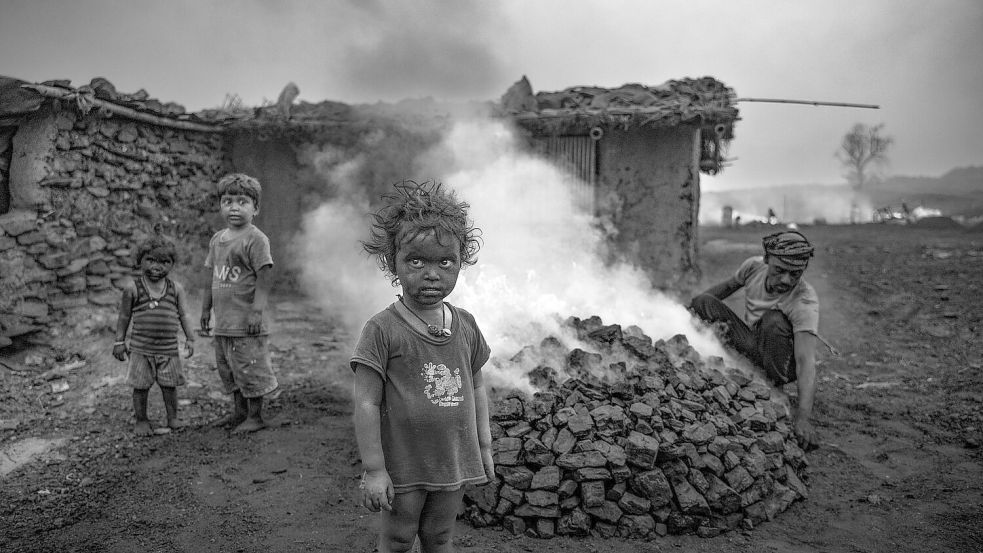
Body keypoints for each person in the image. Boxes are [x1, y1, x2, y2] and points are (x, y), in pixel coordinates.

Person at [351, 180, 494, 553]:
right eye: (416, 260)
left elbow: (476, 387)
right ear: (392, 262)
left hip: (453, 460)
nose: (431, 273)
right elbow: (366, 402)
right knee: (398, 538)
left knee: (439, 537)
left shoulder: (466, 324)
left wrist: (484, 447)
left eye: (445, 262)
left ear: (462, 262)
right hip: (404, 465)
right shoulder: (382, 329)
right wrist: (375, 469)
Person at [689, 230, 823, 450]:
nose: (786, 280)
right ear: (767, 260)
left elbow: (805, 363)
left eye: (795, 274)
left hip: (783, 362)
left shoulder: (804, 302)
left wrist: (803, 418)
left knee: (773, 320)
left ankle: (773, 386)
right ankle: (751, 375)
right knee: (703, 301)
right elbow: (721, 291)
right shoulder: (753, 267)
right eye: (779, 270)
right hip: (755, 345)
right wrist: (686, 311)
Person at [200, 173, 277, 434]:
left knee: (250, 368)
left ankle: (255, 416)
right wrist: (204, 310)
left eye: (242, 201)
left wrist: (257, 312)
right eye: (227, 201)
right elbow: (212, 276)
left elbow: (265, 275)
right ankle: (239, 413)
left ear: (255, 208)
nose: (234, 207)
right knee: (229, 370)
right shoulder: (217, 239)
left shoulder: (256, 239)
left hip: (246, 322)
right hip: (224, 323)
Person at [113, 235, 196, 436]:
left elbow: (183, 314)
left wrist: (190, 338)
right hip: (141, 348)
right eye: (150, 260)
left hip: (168, 348)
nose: (156, 267)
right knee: (140, 386)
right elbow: (124, 316)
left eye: (164, 262)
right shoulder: (133, 288)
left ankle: (173, 418)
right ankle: (141, 420)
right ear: (139, 260)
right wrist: (119, 341)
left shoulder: (176, 289)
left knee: (170, 386)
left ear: (172, 264)